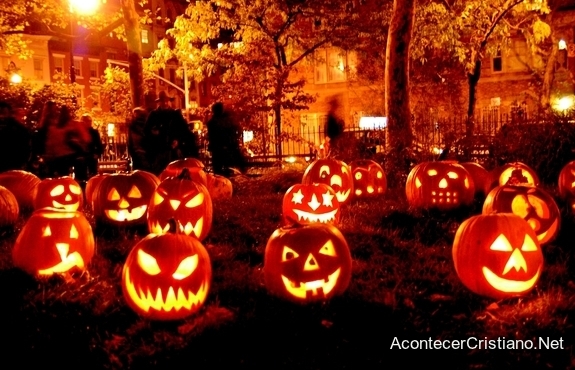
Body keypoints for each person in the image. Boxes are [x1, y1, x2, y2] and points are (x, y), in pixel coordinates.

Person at [144, 91, 199, 175]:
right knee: (160, 173)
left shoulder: (175, 115)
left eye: (166, 101)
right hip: (159, 150)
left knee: (174, 172)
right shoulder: (153, 115)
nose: (165, 103)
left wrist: (178, 140)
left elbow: (184, 130)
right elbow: (146, 130)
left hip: (173, 150)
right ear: (159, 102)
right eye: (163, 101)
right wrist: (153, 133)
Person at [206, 102, 246, 176]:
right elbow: (235, 129)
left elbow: (211, 136)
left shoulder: (213, 122)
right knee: (227, 166)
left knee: (221, 168)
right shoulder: (222, 121)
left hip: (220, 147)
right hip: (224, 146)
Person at [0, 101, 31, 172]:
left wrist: (21, 162)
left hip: (12, 164)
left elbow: (25, 147)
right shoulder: (18, 128)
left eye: (3, 113)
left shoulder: (18, 128)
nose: (1, 116)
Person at [75, 113, 103, 180]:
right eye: (85, 121)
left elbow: (99, 145)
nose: (88, 123)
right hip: (81, 157)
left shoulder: (94, 132)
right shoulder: (77, 132)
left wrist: (97, 154)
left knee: (93, 175)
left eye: (89, 121)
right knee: (81, 175)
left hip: (91, 156)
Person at [128, 107, 151, 171]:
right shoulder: (146, 125)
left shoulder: (135, 127)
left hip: (141, 158)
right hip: (145, 158)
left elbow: (136, 144)